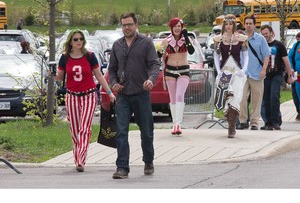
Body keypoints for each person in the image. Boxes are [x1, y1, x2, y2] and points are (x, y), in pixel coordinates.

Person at [53, 29, 115, 172]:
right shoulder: (65, 58)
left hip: (89, 95)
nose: (79, 41)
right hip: (72, 96)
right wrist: (52, 74)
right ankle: (77, 157)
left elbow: (99, 76)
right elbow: (59, 77)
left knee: (85, 128)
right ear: (70, 42)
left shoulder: (90, 56)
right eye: (75, 39)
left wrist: (110, 92)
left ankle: (81, 159)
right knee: (75, 130)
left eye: (81, 39)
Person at [108, 12, 160, 179]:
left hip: (141, 94)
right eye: (124, 25)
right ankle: (122, 167)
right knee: (121, 132)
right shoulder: (117, 45)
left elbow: (154, 65)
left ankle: (148, 160)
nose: (126, 28)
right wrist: (113, 83)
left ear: (136, 25)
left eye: (129, 24)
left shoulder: (146, 43)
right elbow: (111, 69)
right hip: (123, 95)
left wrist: (151, 80)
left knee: (146, 132)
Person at [213, 14, 248, 138]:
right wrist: (218, 70)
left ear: (234, 25)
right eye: (226, 24)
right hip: (224, 72)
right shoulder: (218, 39)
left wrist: (244, 69)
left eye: (230, 24)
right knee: (226, 98)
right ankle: (230, 126)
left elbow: (245, 56)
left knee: (236, 97)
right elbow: (216, 56)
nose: (228, 26)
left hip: (237, 72)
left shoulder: (242, 39)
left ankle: (232, 126)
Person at [160, 17, 195, 135]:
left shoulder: (186, 39)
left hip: (183, 71)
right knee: (173, 98)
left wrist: (186, 37)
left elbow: (191, 51)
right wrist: (161, 51)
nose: (177, 28)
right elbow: (159, 54)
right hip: (170, 72)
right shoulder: (166, 41)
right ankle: (174, 123)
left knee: (180, 94)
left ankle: (178, 123)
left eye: (179, 26)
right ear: (171, 27)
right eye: (175, 26)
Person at [239, 15, 270, 130]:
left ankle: (254, 122)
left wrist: (263, 70)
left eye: (250, 23)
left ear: (254, 25)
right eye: (246, 23)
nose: (248, 25)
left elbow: (267, 55)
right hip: (243, 73)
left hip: (257, 73)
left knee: (256, 100)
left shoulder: (260, 39)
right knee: (241, 98)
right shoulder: (240, 38)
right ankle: (242, 121)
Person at [260, 25, 293, 130]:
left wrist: (290, 75)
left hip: (277, 73)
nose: (265, 36)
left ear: (271, 32)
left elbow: (286, 61)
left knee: (274, 95)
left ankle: (276, 121)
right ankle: (267, 121)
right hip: (266, 74)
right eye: (263, 34)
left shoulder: (279, 45)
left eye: (266, 33)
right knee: (265, 98)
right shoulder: (261, 45)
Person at [290, 31, 300, 122]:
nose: (299, 41)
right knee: (295, 95)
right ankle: (299, 112)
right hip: (295, 74)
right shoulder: (295, 47)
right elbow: (289, 57)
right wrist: (291, 68)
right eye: (298, 39)